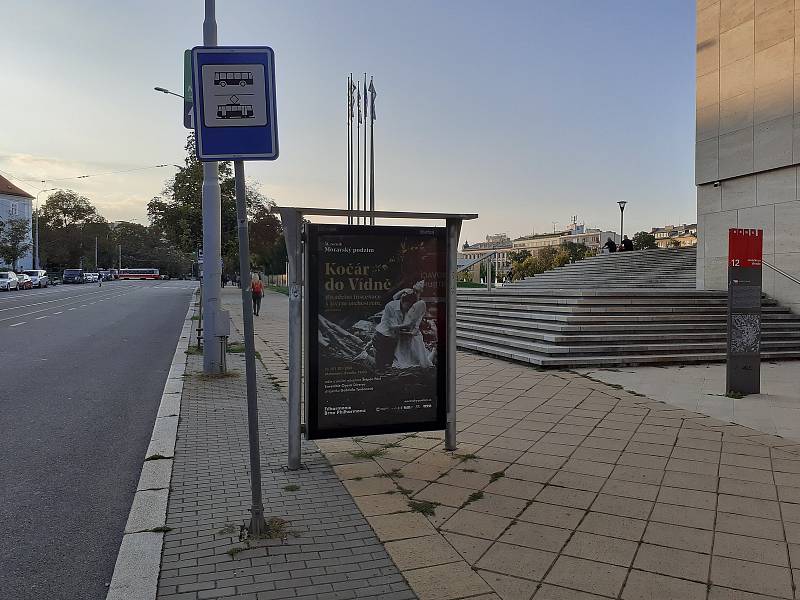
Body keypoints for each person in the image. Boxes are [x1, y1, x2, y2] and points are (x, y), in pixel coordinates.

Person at [393, 280, 433, 369]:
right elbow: (394, 298)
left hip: (411, 332)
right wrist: (403, 290)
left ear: (423, 289)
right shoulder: (408, 296)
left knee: (418, 360)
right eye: (419, 282)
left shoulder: (421, 303)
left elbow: (413, 322)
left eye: (421, 283)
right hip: (404, 331)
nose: (419, 283)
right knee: (405, 358)